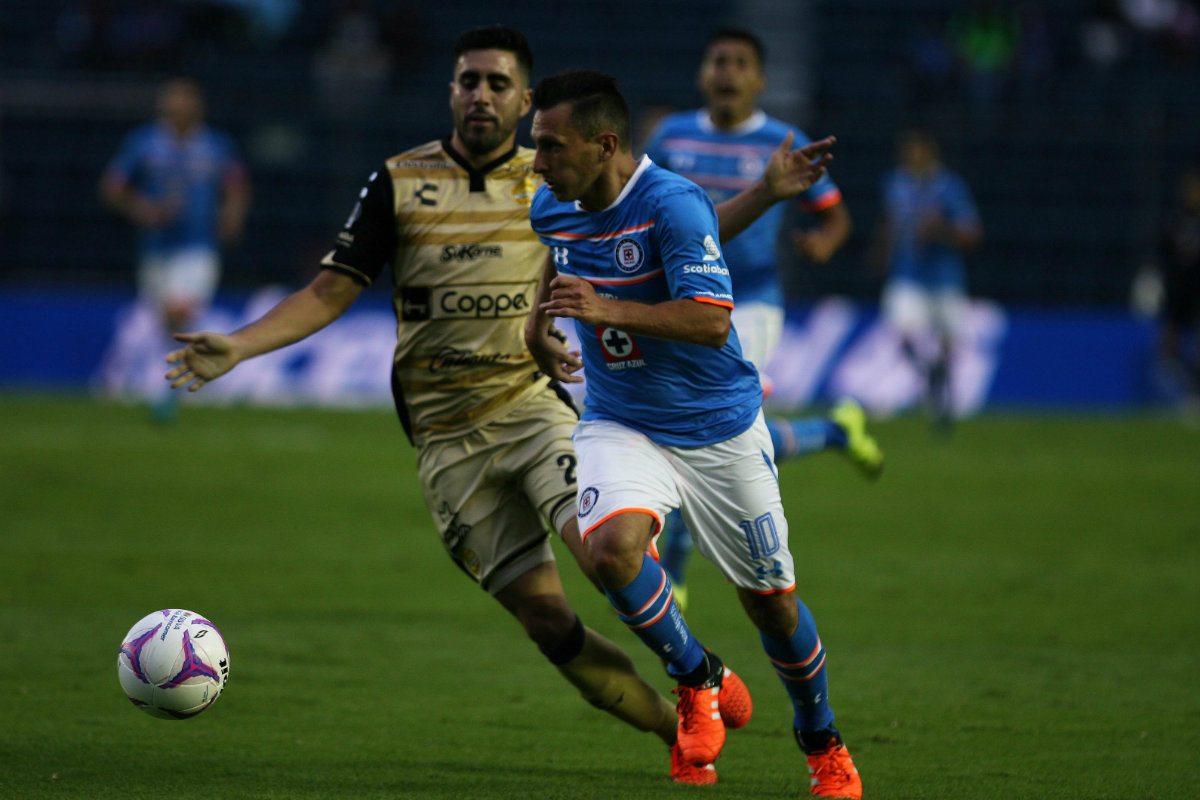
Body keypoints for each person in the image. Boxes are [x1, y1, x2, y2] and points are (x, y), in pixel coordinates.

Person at [165, 25, 824, 786]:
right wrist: (241, 346)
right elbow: (331, 291)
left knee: (607, 551)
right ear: (449, 91)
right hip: (445, 439)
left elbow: (678, 237)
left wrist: (766, 194)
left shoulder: (556, 176)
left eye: (497, 83)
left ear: (524, 100)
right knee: (548, 621)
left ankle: (695, 687)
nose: (480, 94)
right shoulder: (399, 180)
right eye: (466, 80)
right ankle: (681, 707)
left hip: (536, 410)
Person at [524, 68, 861, 799]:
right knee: (611, 551)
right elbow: (560, 264)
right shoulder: (552, 206)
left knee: (771, 604)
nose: (538, 163)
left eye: (550, 146)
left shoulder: (672, 203)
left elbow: (711, 321)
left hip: (719, 430)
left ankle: (820, 738)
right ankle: (697, 674)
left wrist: (607, 309)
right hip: (620, 419)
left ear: (604, 143)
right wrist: (537, 327)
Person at [641, 27, 882, 606]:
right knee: (719, 434)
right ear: (703, 74)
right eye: (718, 61)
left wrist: (825, 244)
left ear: (759, 80)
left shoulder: (782, 141)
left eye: (740, 63)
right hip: (677, 301)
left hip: (748, 303)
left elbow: (836, 217)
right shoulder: (672, 136)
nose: (727, 72)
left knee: (703, 426)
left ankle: (673, 570)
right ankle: (834, 430)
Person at [100, 77, 251, 422]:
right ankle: (191, 382)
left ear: (196, 109)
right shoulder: (144, 143)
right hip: (156, 249)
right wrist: (142, 210)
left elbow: (236, 184)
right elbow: (112, 186)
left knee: (179, 312)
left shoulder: (215, 145)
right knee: (165, 323)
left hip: (198, 248)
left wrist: (232, 214)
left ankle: (171, 393)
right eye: (171, 106)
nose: (177, 111)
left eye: (183, 105)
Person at [868, 127, 983, 431]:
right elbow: (888, 222)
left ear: (930, 153)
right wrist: (880, 252)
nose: (910, 157)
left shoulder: (950, 187)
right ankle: (927, 370)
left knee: (949, 342)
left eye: (915, 150)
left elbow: (972, 234)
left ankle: (939, 392)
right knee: (901, 332)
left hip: (944, 278)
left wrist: (942, 230)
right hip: (906, 274)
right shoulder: (894, 183)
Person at [1158, 164, 1200, 408]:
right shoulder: (1174, 219)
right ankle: (1172, 394)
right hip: (1177, 287)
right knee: (1170, 339)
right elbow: (1164, 250)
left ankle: (1194, 392)